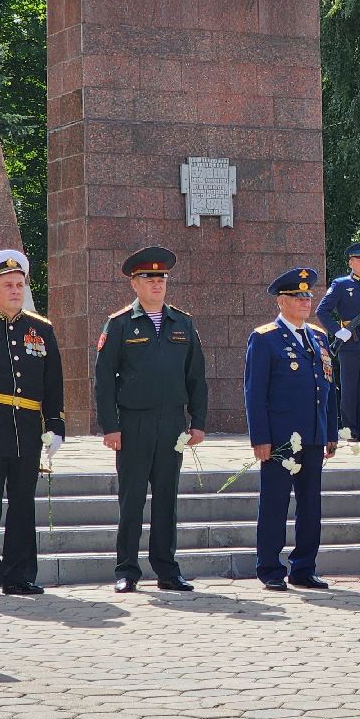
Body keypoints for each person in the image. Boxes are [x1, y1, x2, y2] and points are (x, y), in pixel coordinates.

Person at [94, 246, 208, 593]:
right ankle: (126, 569)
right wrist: (110, 426)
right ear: (134, 284)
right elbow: (104, 378)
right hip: (132, 424)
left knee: (166, 499)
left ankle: (167, 569)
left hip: (171, 423)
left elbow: (196, 378)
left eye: (161, 278)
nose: (157, 283)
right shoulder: (119, 324)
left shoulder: (183, 323)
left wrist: (198, 422)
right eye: (149, 278)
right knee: (131, 500)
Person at [245, 267, 340, 590]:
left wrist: (331, 432)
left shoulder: (318, 337)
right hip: (281, 437)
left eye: (308, 296)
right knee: (275, 503)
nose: (305, 302)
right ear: (281, 301)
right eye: (297, 297)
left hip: (313, 434)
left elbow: (328, 387)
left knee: (310, 505)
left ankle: (304, 567)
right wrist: (260, 437)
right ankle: (270, 568)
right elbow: (255, 393)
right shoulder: (265, 338)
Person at [0, 250, 63, 596]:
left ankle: (18, 575)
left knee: (22, 504)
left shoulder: (40, 329)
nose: (16, 290)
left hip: (26, 429)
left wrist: (56, 426)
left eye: (20, 284)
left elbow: (53, 383)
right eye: (8, 284)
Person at [315, 241, 360, 442]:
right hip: (349, 344)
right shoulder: (341, 285)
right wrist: (338, 331)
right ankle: (350, 431)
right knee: (349, 388)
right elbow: (322, 311)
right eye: (359, 259)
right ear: (351, 262)